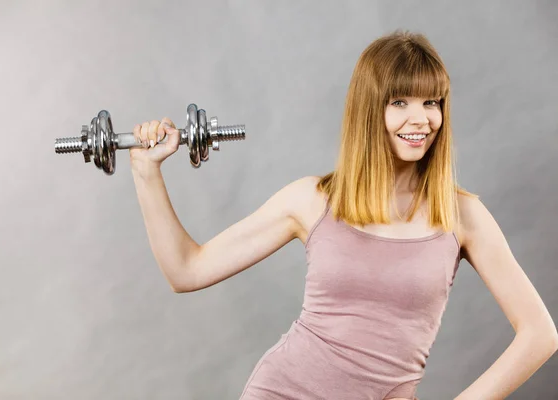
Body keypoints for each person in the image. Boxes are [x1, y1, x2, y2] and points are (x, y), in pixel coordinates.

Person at [128, 30, 558, 400]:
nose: (421, 118)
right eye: (399, 101)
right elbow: (185, 271)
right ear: (370, 109)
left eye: (432, 102)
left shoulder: (462, 214)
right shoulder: (312, 200)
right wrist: (146, 171)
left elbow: (540, 334)